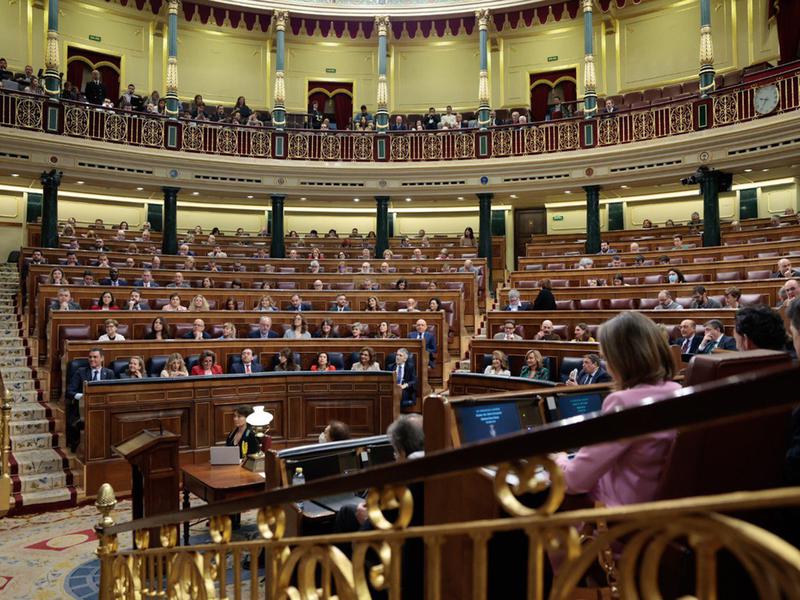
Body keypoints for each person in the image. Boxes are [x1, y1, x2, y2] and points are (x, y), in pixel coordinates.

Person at [554, 312, 679, 506]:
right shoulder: (677, 390)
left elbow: (574, 481)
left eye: (606, 358)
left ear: (622, 359)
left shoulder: (622, 402)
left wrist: (559, 460)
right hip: (662, 511)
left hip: (621, 517)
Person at [66, 348, 116, 451]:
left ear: (102, 358)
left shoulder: (109, 373)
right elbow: (69, 391)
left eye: (95, 357)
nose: (91, 359)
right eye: (90, 357)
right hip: (83, 409)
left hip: (103, 408)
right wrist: (82, 397)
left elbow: (113, 393)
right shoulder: (81, 372)